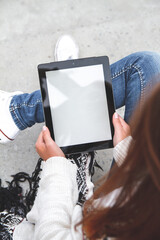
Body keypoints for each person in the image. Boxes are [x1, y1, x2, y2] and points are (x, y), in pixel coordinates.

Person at [0, 35, 160, 239]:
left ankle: (39, 102)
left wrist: (56, 164)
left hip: (93, 225)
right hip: (133, 197)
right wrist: (126, 148)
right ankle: (41, 101)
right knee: (149, 67)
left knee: (69, 145)